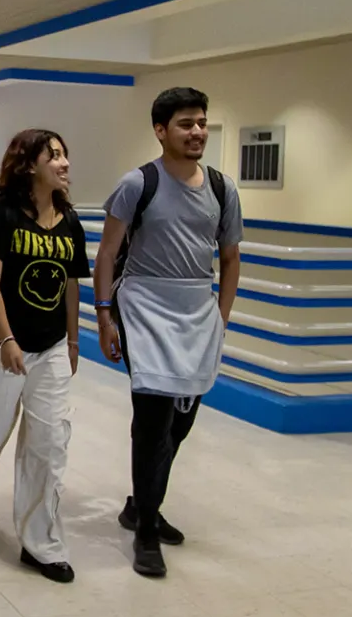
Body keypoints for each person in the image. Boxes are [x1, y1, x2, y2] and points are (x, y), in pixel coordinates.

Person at [93, 87, 243, 578]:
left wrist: (220, 318)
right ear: (161, 130)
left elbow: (230, 258)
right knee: (154, 419)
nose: (197, 131)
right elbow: (108, 254)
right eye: (185, 123)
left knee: (181, 422)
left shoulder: (222, 188)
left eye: (201, 122)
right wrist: (105, 314)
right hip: (145, 308)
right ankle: (146, 532)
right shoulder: (138, 183)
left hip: (197, 312)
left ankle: (142, 504)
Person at [0, 129, 88, 583]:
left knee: (49, 443)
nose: (64, 164)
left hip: (50, 349)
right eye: (54, 156)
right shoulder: (2, 215)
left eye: (65, 155)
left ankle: (41, 545)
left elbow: (69, 282)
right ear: (28, 165)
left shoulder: (69, 220)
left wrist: (73, 340)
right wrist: (7, 340)